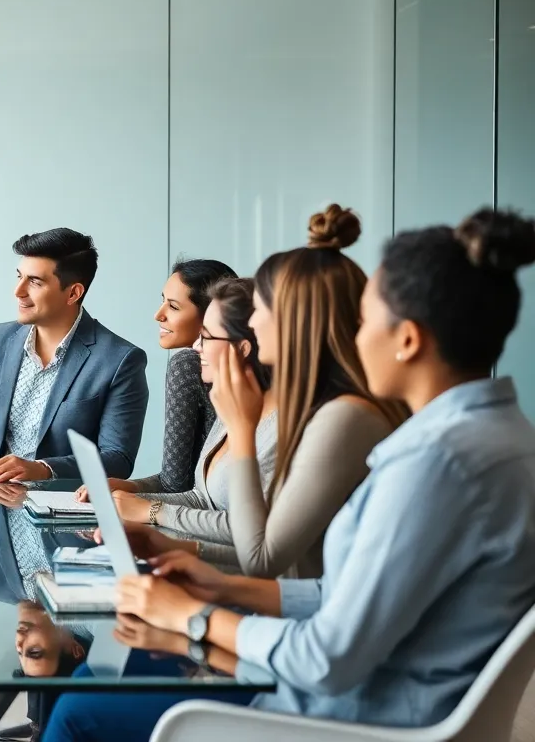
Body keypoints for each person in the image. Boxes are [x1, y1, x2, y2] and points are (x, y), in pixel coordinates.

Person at [45, 208, 535, 741]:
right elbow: (346, 599)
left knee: (79, 710)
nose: (351, 334)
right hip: (355, 690)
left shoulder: (439, 463)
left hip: (343, 717)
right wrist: (217, 586)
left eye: (365, 320)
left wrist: (195, 616)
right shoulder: (496, 438)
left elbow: (328, 657)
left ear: (409, 340)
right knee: (102, 675)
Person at [110, 206, 407, 579]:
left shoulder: (343, 416)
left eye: (260, 307)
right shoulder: (313, 407)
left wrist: (243, 430)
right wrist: (166, 545)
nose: (251, 322)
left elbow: (263, 557)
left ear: (293, 323)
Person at [92, 278, 278, 571]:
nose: (196, 346)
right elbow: (200, 498)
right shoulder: (233, 408)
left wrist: (153, 511)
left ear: (242, 348)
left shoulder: (279, 431)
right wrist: (129, 498)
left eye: (207, 336)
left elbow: (254, 534)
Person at [0, 228, 149, 483]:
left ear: (73, 293)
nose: (18, 291)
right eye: (19, 277)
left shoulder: (120, 360)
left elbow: (118, 459)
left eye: (35, 282)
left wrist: (42, 469)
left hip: (66, 514)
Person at [114, 258, 236, 494]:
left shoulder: (187, 364)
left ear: (211, 314)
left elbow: (175, 484)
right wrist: (126, 487)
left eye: (174, 307)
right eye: (163, 301)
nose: (159, 315)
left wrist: (129, 493)